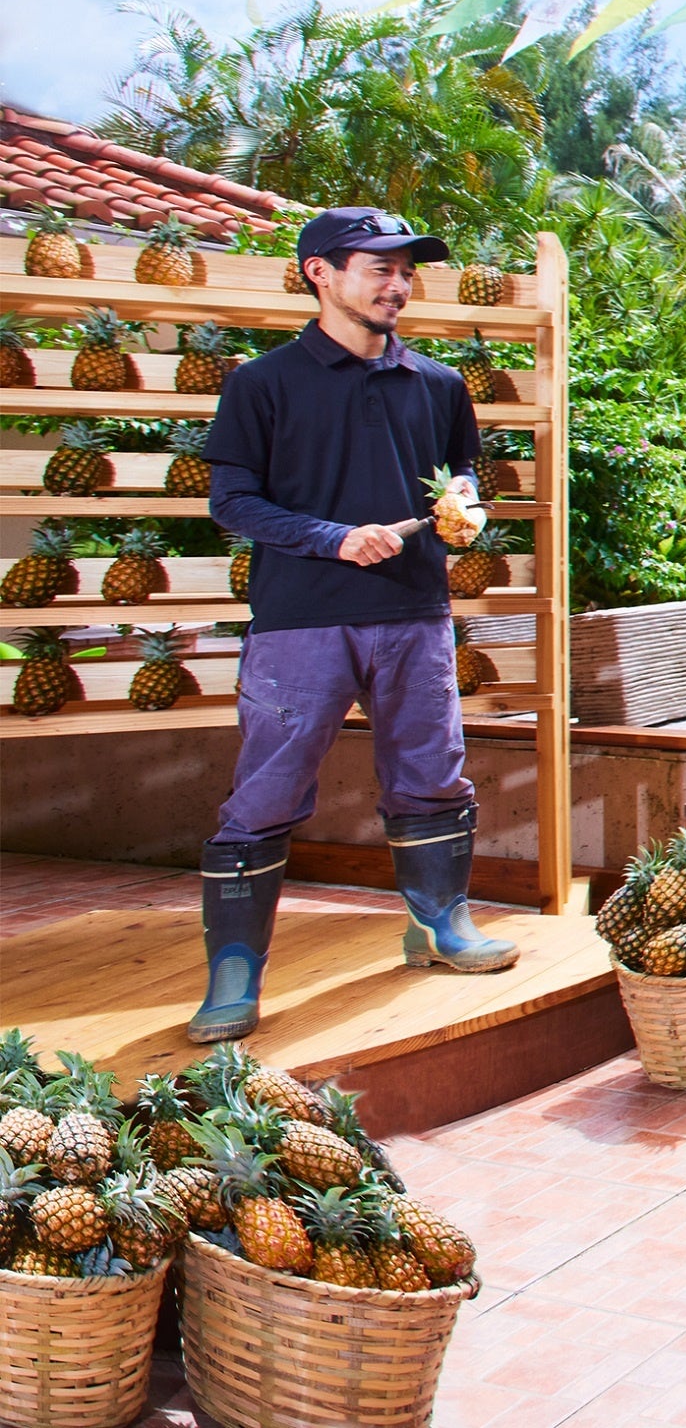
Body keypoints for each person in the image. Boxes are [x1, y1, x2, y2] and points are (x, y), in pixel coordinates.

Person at [188, 207, 512, 1044]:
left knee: (432, 776)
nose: (397, 285)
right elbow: (232, 501)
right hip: (301, 622)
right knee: (265, 794)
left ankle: (442, 925)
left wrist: (465, 504)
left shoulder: (439, 385)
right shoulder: (262, 383)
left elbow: (461, 473)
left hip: (415, 613)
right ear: (320, 274)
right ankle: (234, 971)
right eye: (378, 268)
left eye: (406, 271)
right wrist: (332, 538)